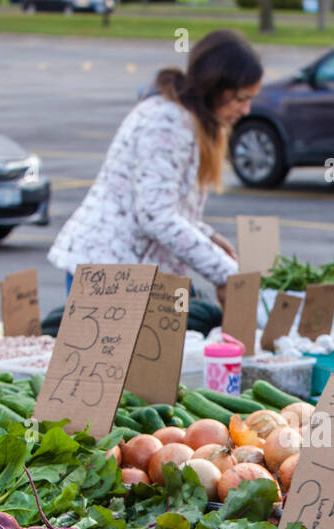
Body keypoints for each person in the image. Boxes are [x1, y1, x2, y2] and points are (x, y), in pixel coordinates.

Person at [47, 30, 263, 335]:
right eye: (241, 98)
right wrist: (225, 273)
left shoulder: (184, 119)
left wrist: (208, 236)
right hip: (109, 274)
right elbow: (154, 214)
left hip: (130, 275)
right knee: (108, 376)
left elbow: (164, 203)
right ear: (215, 87)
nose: (246, 110)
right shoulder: (167, 121)